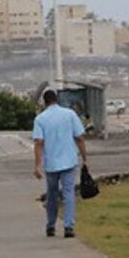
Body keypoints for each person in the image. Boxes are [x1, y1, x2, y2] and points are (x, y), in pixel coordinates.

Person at [32, 89, 87, 238]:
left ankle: (51, 226)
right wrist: (84, 158)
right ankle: (68, 227)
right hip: (69, 160)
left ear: (44, 102)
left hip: (51, 163)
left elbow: (39, 142)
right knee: (69, 194)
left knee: (52, 194)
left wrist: (37, 165)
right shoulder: (69, 114)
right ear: (57, 99)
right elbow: (80, 137)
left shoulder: (40, 119)